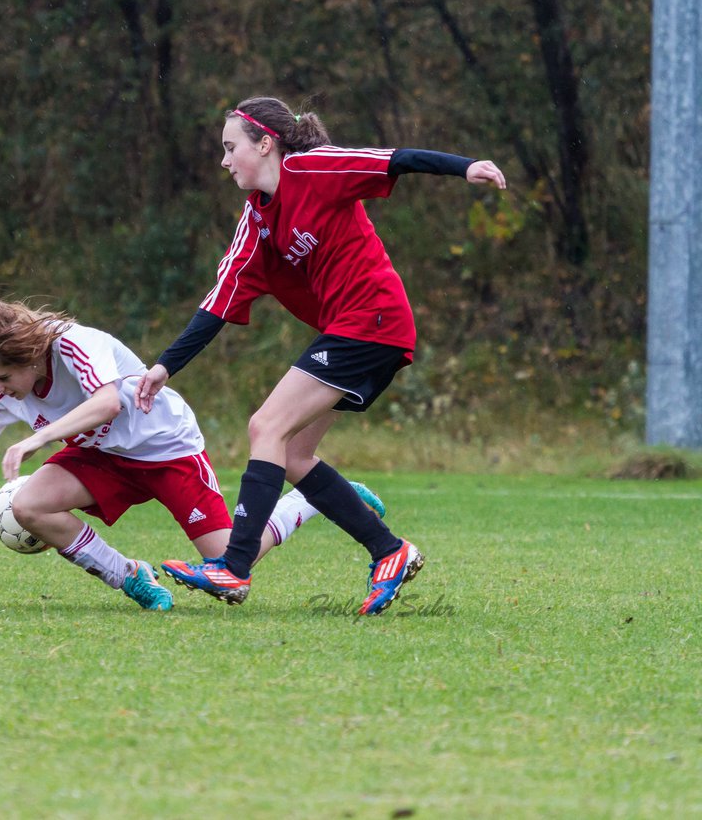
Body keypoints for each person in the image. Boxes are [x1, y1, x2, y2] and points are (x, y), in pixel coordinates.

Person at [136, 96, 507, 615]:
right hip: (355, 330)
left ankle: (234, 567)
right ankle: (390, 550)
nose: (224, 161)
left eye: (230, 147)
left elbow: (393, 158)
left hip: (372, 321)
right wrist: (164, 366)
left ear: (265, 143)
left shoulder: (312, 168)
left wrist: (465, 167)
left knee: (265, 427)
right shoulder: (256, 222)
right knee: (289, 453)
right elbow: (219, 301)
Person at [0, 288, 386, 612]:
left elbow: (106, 403)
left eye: (5, 377)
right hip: (99, 458)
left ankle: (312, 502)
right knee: (28, 504)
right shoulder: (2, 391)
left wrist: (39, 437)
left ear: (31, 358)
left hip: (164, 447)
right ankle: (131, 577)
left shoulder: (76, 343)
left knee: (226, 566)